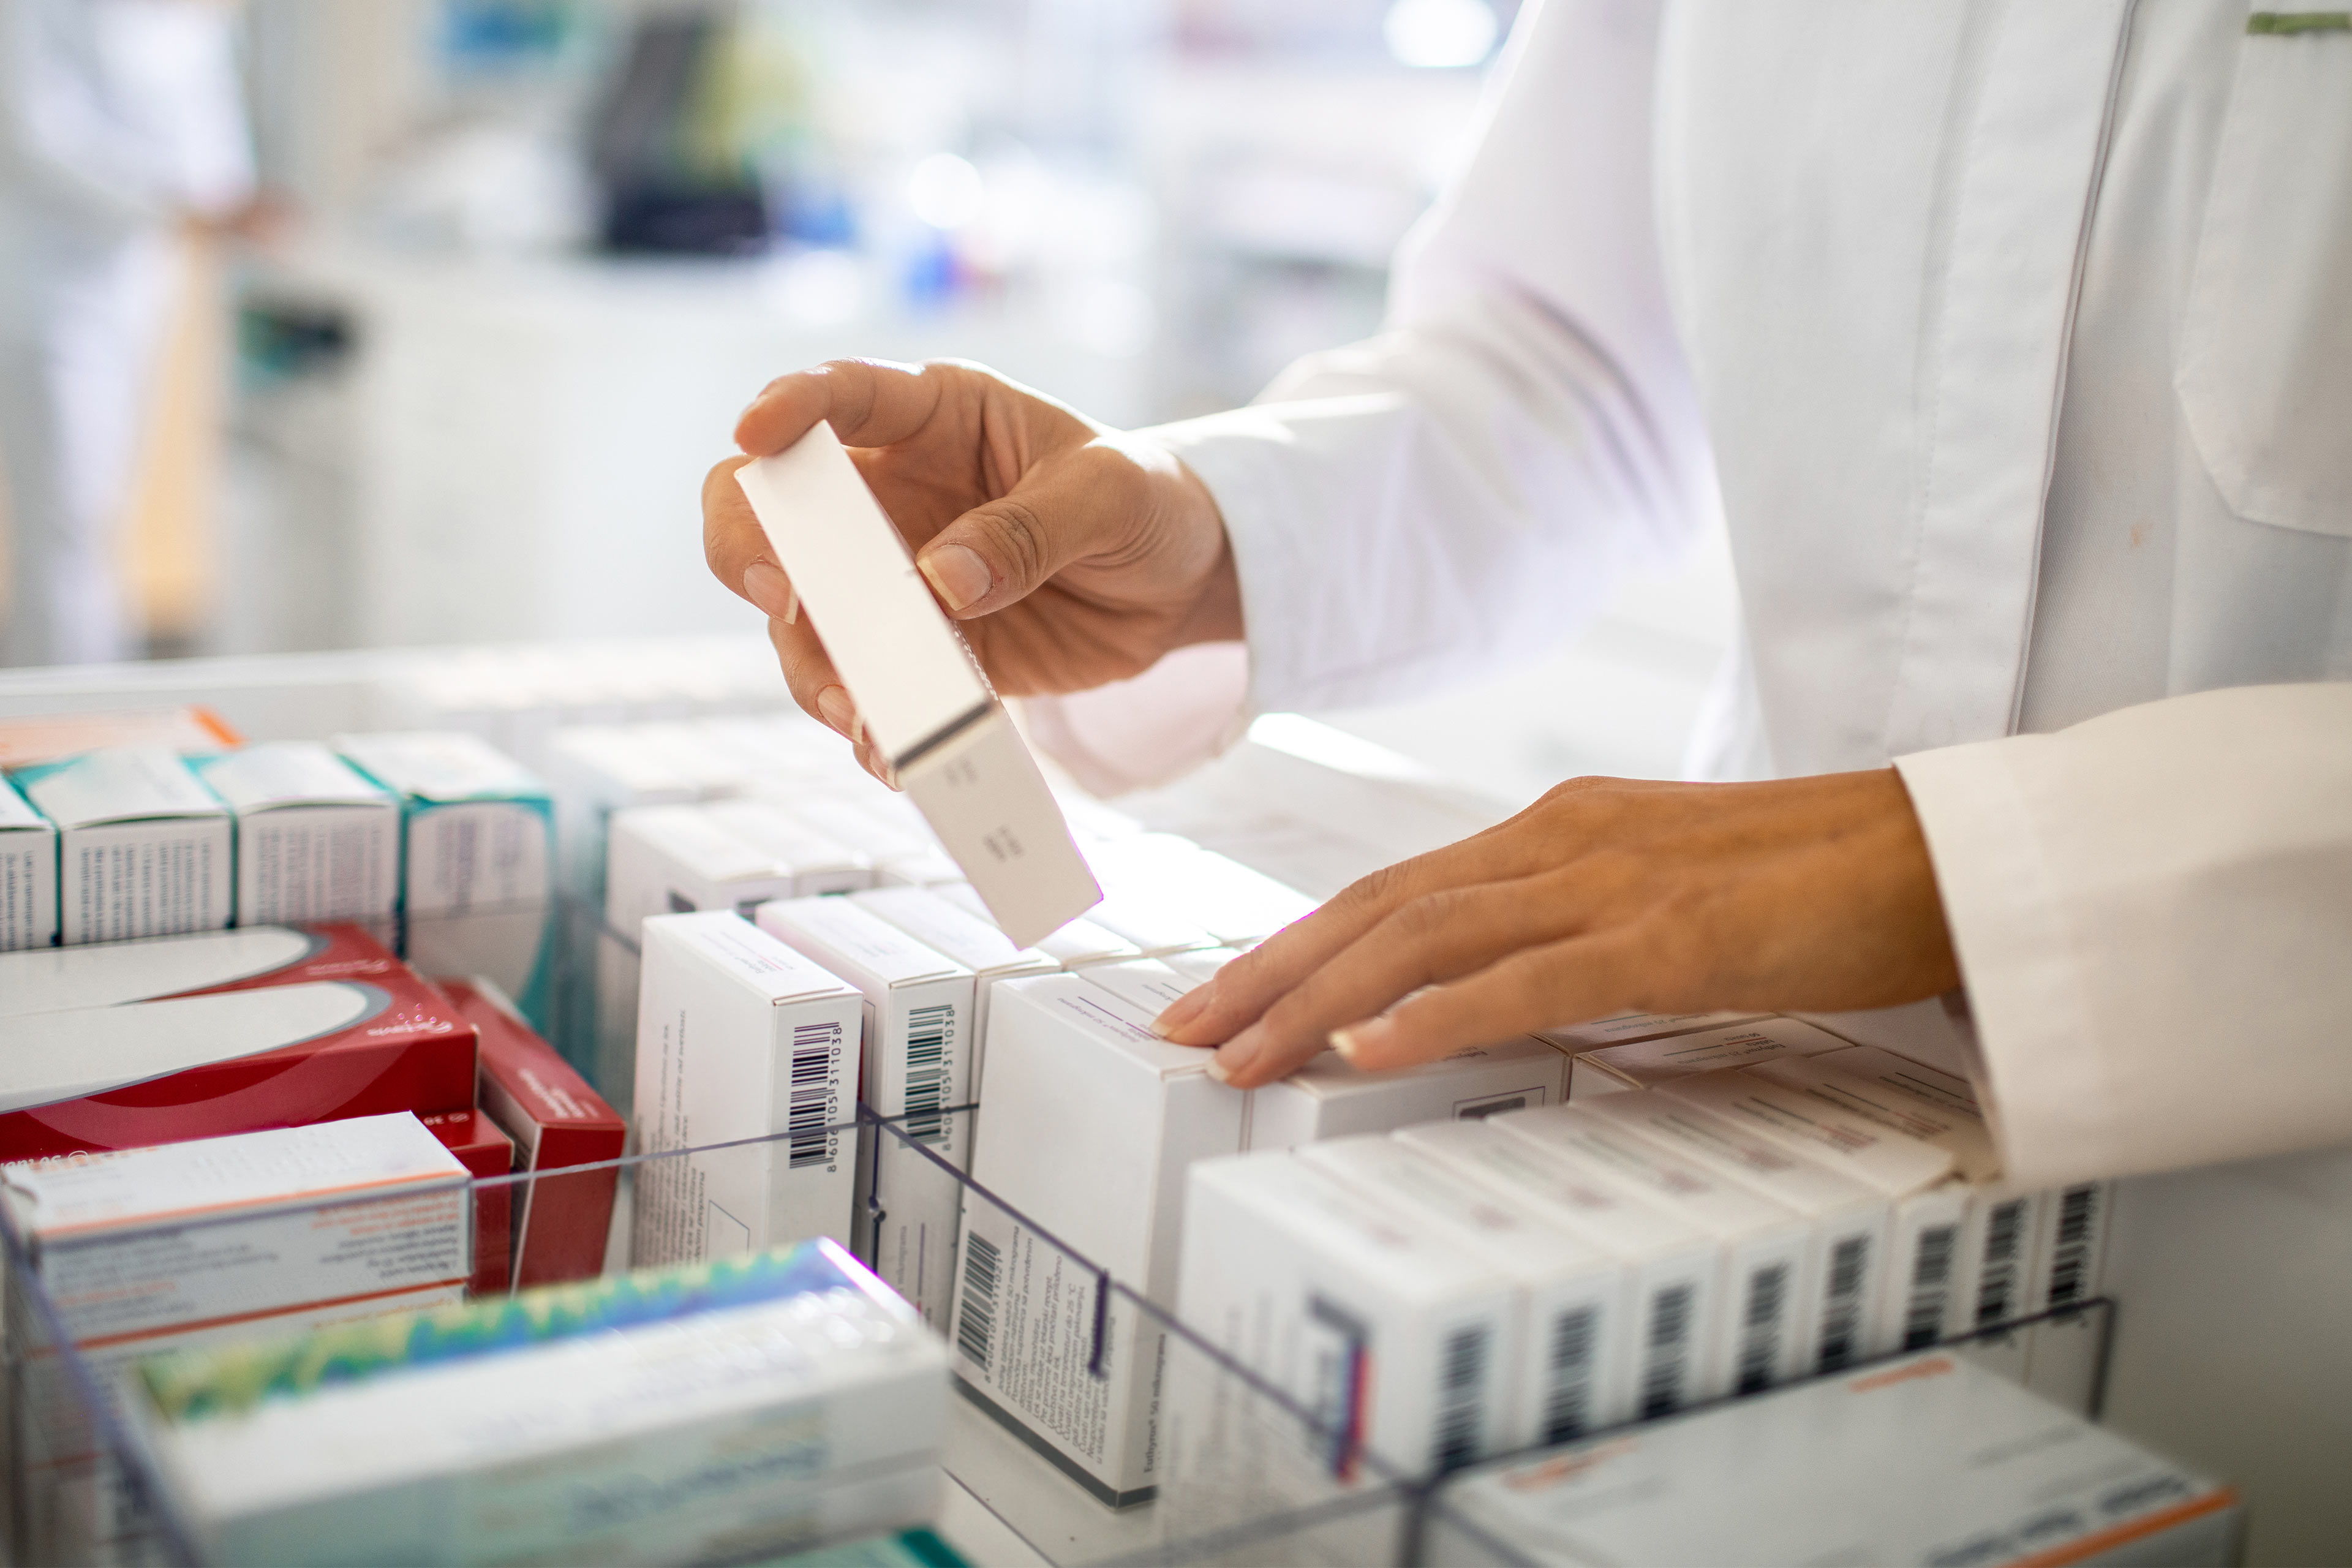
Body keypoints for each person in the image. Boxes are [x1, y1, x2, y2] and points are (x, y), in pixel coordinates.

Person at [707, 2, 2352, 1551]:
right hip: (1737, 1147)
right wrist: (1213, 538)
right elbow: (1572, 366)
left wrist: (1974, 866)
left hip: (2282, 1260)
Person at [0, 0, 262, 666]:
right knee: (67, 520)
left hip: (143, 280)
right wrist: (181, 199)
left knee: (102, 516)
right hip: (48, 287)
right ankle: (58, 724)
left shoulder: (185, 19)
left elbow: (215, 144)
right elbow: (36, 134)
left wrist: (226, 199)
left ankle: (88, 706)